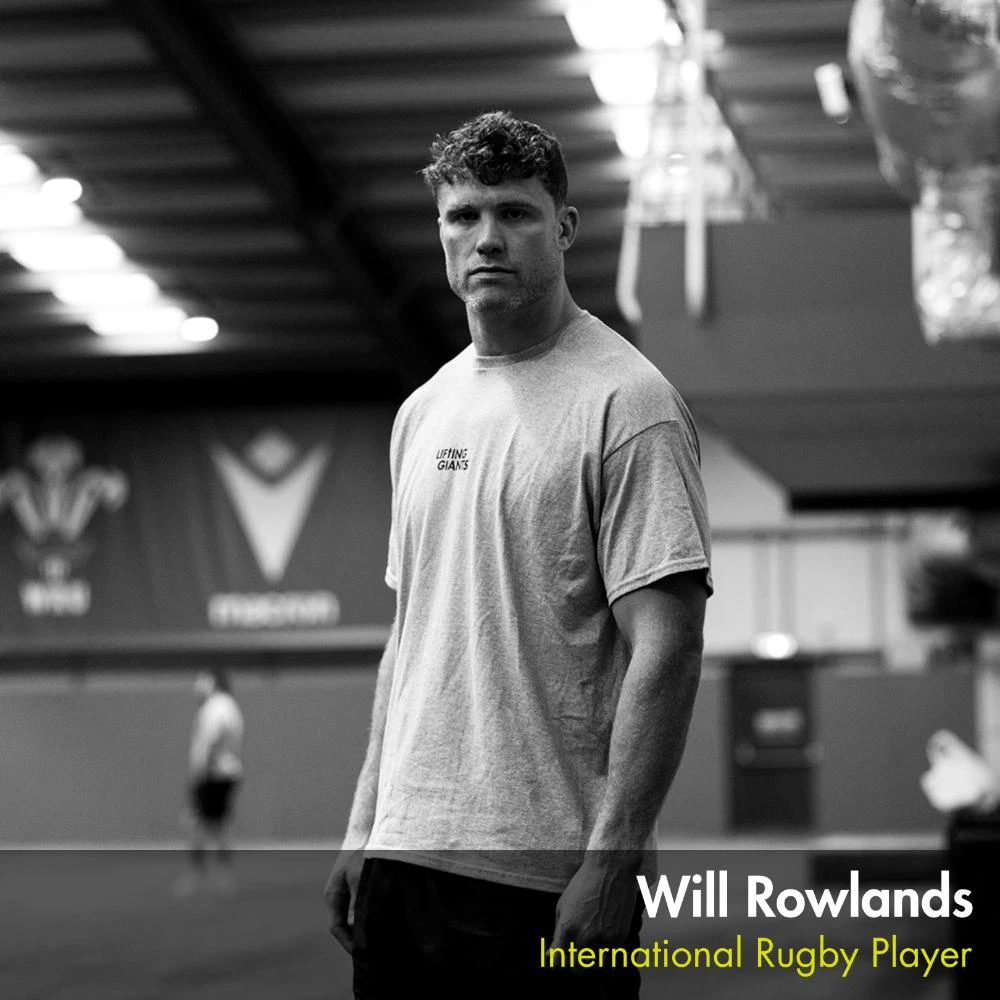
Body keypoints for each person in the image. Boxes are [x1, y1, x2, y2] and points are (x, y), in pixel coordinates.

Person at [323, 110, 712, 998]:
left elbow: (669, 647)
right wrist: (364, 825)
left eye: (514, 213)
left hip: (544, 880)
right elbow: (408, 641)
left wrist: (613, 862)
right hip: (404, 866)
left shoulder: (628, 403)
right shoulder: (422, 412)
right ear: (441, 233)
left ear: (563, 227)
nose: (487, 238)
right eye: (463, 216)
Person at [174, 668, 244, 896]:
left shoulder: (217, 705)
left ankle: (199, 874)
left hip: (213, 774)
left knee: (195, 822)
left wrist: (206, 765)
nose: (197, 685)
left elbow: (217, 733)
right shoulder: (227, 704)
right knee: (219, 824)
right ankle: (222, 875)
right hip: (222, 772)